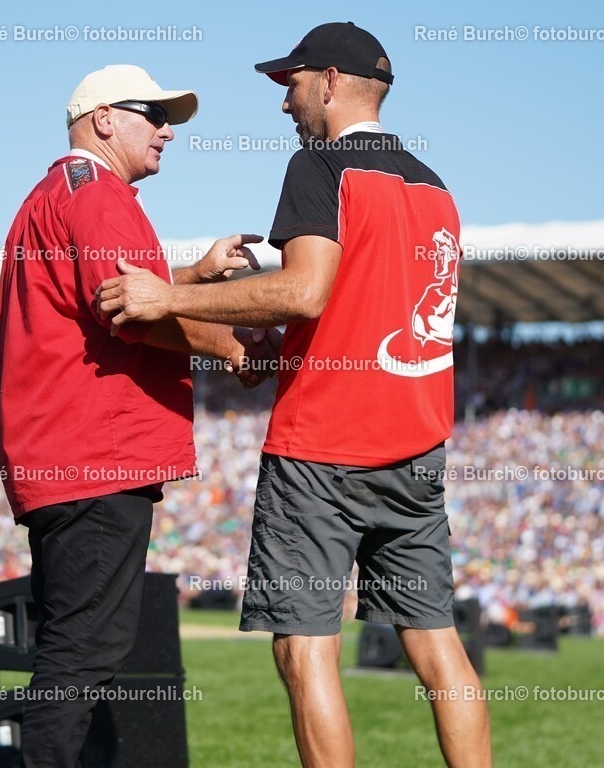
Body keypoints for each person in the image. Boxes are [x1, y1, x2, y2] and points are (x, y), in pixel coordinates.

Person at [97, 23, 492, 768]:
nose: (286, 104)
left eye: (293, 84)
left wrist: (165, 299)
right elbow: (378, 308)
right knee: (438, 649)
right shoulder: (437, 189)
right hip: (416, 447)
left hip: (324, 448)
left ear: (332, 83)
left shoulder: (320, 167)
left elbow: (304, 293)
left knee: (305, 651)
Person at [0, 64, 273, 767]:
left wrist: (195, 279)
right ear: (104, 119)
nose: (168, 129)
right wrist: (232, 346)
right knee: (81, 655)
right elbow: (129, 311)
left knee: (80, 647)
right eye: (151, 113)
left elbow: (115, 292)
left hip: (67, 455)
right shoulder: (99, 197)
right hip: (95, 456)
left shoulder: (59, 194)